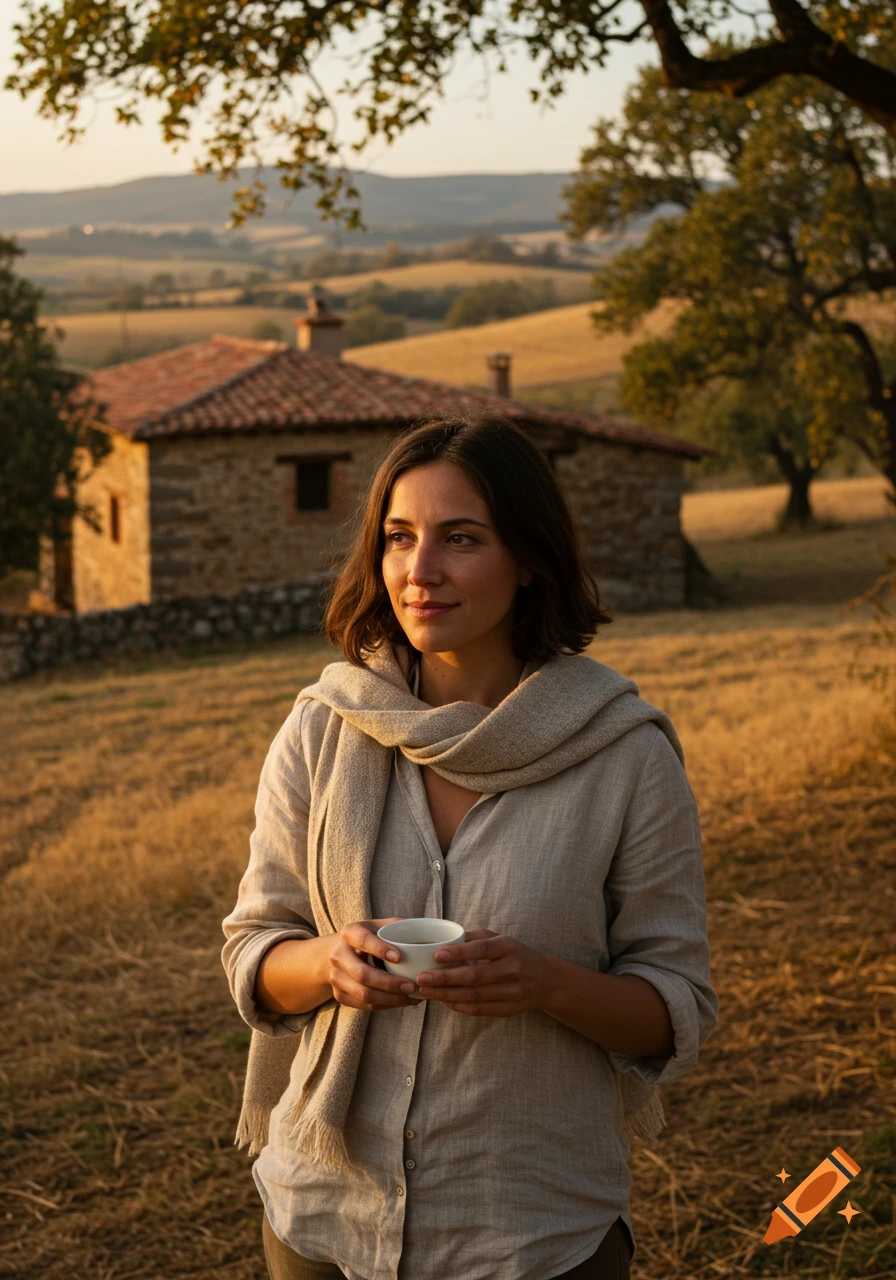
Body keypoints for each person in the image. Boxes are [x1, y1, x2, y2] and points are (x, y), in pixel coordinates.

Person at [221, 413, 719, 1280]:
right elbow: (253, 952)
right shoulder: (323, 729)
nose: (421, 571)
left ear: (528, 558)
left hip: (529, 1232)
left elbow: (675, 1007)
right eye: (399, 538)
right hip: (324, 1223)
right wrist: (329, 966)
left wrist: (545, 984)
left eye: (461, 538)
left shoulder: (624, 755)